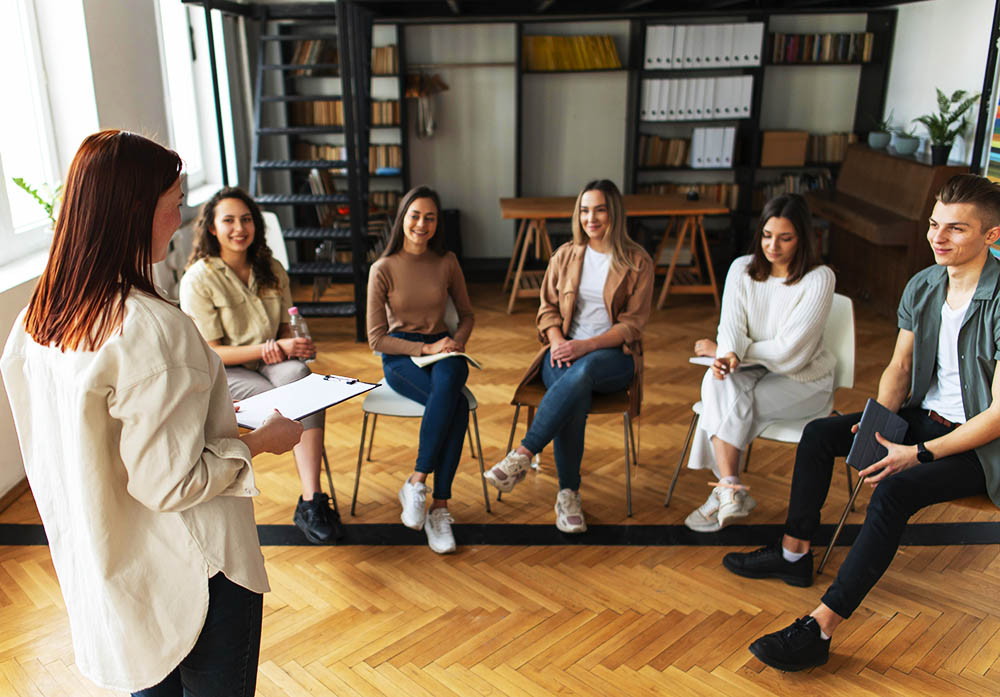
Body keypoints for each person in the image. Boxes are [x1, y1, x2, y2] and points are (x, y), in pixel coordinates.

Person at [0, 130, 303, 695]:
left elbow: (95, 444)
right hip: (193, 565)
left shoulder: (38, 320)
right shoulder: (151, 328)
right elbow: (174, 483)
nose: (184, 218)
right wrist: (261, 440)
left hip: (110, 558)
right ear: (137, 211)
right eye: (177, 202)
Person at [723, 174, 1000, 671]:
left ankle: (820, 629)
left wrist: (913, 454)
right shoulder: (926, 284)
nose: (938, 237)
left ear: (991, 236)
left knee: (894, 492)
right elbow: (900, 367)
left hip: (982, 446)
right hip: (924, 419)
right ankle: (794, 552)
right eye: (935, 224)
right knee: (819, 434)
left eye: (956, 229)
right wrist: (882, 420)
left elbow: (999, 415)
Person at [484, 179, 653, 532]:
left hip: (611, 358)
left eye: (600, 209)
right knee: (572, 394)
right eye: (585, 210)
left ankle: (523, 456)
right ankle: (568, 495)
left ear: (615, 213)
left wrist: (585, 346)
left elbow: (632, 325)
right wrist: (560, 340)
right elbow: (546, 308)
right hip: (562, 352)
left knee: (584, 371)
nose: (591, 218)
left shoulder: (637, 261)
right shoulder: (565, 255)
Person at [179, 187, 342, 544]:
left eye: (246, 219)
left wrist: (294, 341)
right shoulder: (198, 278)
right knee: (282, 396)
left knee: (302, 380)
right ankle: (307, 493)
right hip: (227, 371)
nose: (239, 228)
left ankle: (311, 499)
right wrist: (271, 346)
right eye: (229, 221)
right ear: (212, 229)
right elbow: (212, 352)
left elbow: (285, 326)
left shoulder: (272, 268)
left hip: (271, 362)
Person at [684, 194, 835, 532]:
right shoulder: (742, 268)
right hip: (755, 372)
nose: (773, 246)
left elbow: (790, 353)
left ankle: (727, 490)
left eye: (785, 238)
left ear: (803, 238)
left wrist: (729, 351)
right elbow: (732, 326)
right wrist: (726, 354)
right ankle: (731, 490)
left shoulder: (819, 278)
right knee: (715, 381)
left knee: (723, 401)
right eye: (767, 235)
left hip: (805, 381)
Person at [366, 185, 474, 554]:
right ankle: (438, 506)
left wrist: (457, 340)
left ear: (437, 222)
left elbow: (468, 314)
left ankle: (417, 482)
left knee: (450, 385)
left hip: (445, 348)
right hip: (401, 355)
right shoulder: (382, 268)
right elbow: (377, 338)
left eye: (430, 217)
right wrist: (425, 347)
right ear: (402, 219)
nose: (422, 224)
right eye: (415, 215)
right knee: (456, 407)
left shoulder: (447, 262)